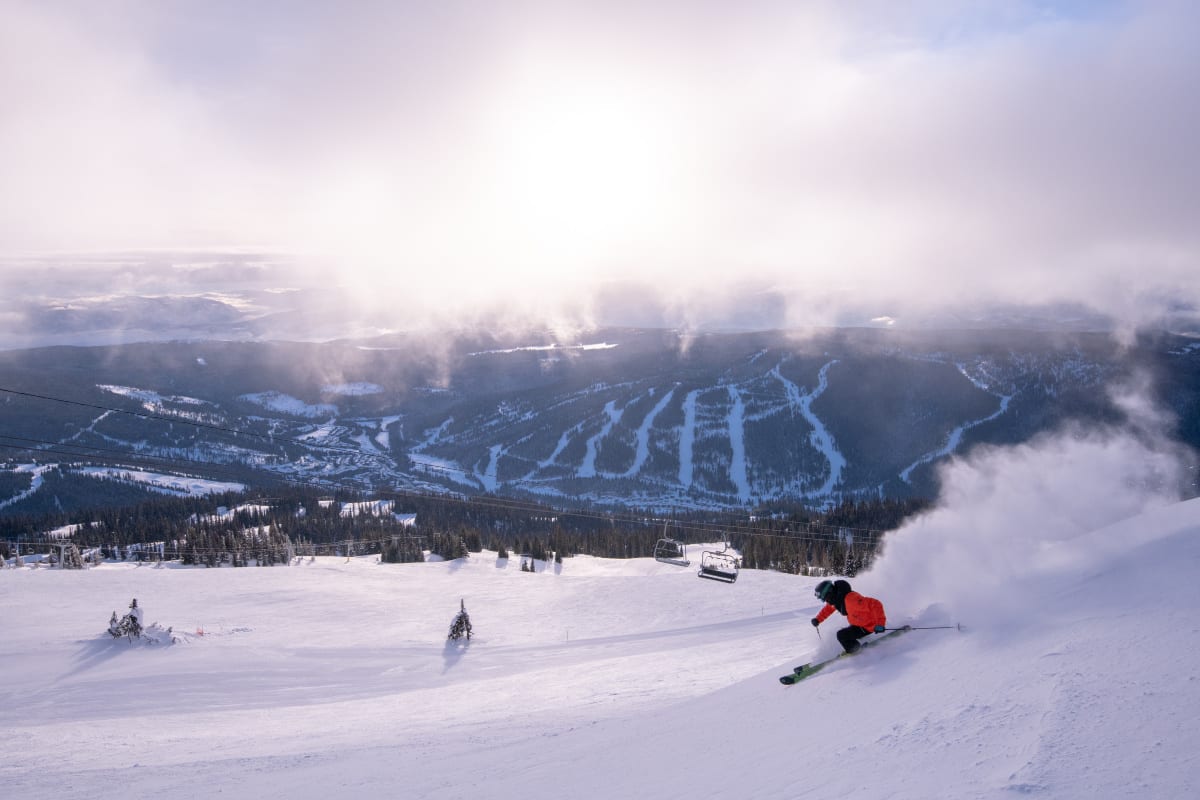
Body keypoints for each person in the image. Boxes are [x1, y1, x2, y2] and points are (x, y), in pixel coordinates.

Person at [811, 578, 887, 654]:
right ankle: (854, 648)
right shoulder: (838, 599)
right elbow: (828, 609)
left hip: (869, 626)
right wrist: (818, 619)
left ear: (830, 594)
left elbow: (876, 604)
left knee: (842, 635)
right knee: (843, 634)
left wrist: (880, 624)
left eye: (826, 599)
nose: (827, 601)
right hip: (859, 625)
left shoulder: (851, 599)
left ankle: (856, 651)